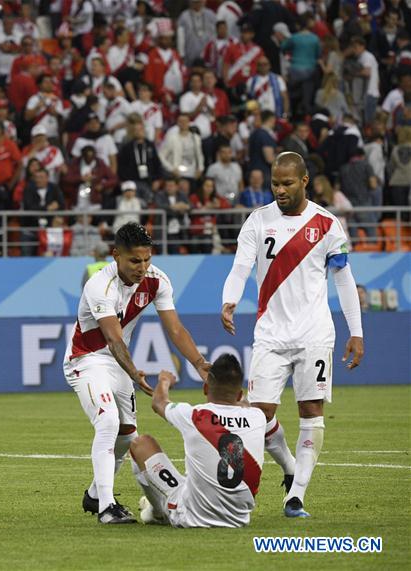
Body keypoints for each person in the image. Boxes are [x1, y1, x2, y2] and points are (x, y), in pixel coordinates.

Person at [221, 152, 365, 518]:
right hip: (270, 333)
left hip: (314, 333)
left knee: (310, 410)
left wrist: (356, 331)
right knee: (258, 414)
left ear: (304, 181)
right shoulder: (257, 220)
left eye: (287, 183)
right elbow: (240, 266)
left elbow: (344, 278)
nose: (280, 190)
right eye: (274, 183)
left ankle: (296, 495)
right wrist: (229, 300)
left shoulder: (327, 223)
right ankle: (287, 464)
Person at [65, 222, 211, 524]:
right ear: (115, 255)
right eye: (134, 260)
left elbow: (175, 328)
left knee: (127, 435)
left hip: (118, 364)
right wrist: (133, 373)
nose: (142, 267)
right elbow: (113, 338)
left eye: (147, 259)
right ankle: (107, 507)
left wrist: (199, 364)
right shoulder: (99, 285)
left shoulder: (158, 280)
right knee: (107, 421)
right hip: (87, 360)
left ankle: (95, 494)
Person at [129, 356, 265, 528]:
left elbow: (158, 402)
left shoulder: (194, 415)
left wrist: (164, 380)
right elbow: (242, 402)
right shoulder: (257, 417)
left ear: (205, 388)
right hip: (239, 518)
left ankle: (156, 512)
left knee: (140, 443)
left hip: (192, 516)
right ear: (239, 394)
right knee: (192, 479)